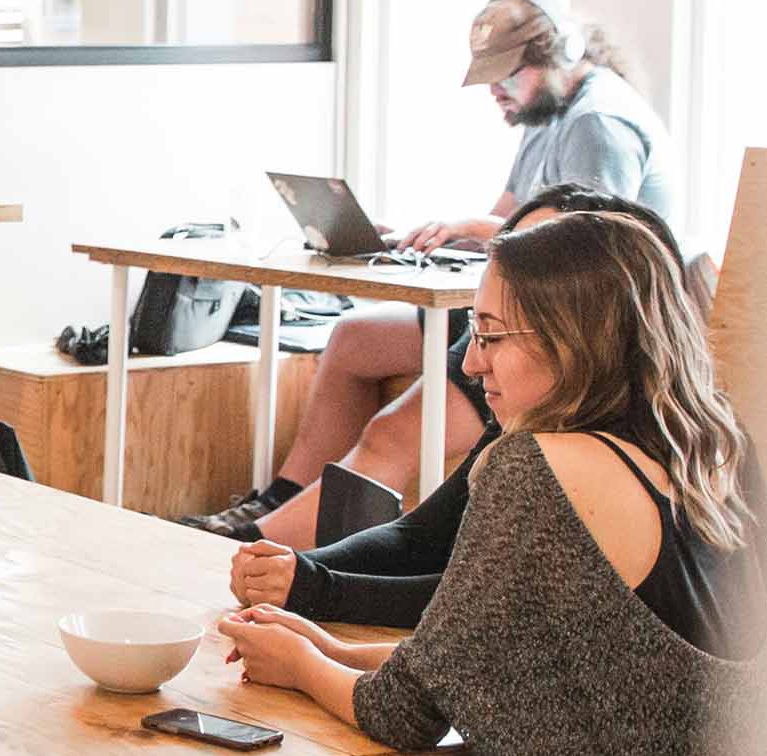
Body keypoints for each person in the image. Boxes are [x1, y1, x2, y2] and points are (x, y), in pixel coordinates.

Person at [220, 212, 759, 756]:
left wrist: (302, 666)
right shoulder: (707, 461)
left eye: (492, 336)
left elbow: (402, 713)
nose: (471, 363)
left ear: (577, 339)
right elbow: (506, 662)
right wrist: (323, 646)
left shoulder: (538, 466)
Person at [188, 0, 681, 545]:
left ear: (557, 56)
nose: (496, 91)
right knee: (353, 340)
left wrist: (475, 229)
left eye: (506, 77)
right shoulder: (545, 113)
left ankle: (259, 544)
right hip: (526, 311)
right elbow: (510, 217)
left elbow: (588, 254)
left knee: (391, 433)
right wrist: (437, 236)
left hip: (566, 334)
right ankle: (281, 496)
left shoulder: (599, 124)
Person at [227, 185, 691, 630]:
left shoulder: (566, 463)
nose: (471, 363)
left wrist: (309, 588)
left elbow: (462, 621)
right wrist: (294, 567)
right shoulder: (549, 421)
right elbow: (424, 540)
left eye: (494, 331)